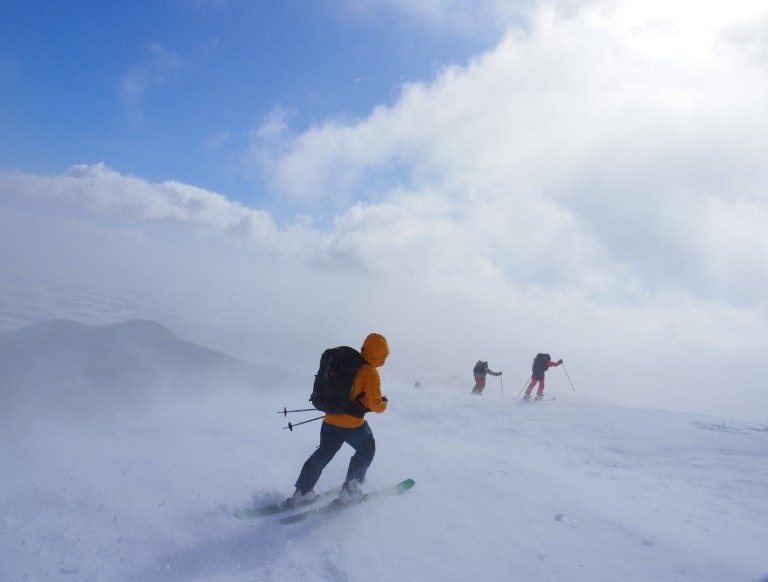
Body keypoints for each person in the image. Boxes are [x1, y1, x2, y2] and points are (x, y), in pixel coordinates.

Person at [288, 332, 390, 506]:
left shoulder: (348, 365)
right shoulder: (370, 373)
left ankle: (303, 492)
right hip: (353, 426)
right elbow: (375, 406)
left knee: (323, 454)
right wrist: (384, 404)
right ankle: (350, 493)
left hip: (329, 421)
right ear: (378, 355)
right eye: (384, 356)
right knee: (367, 449)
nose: (384, 360)